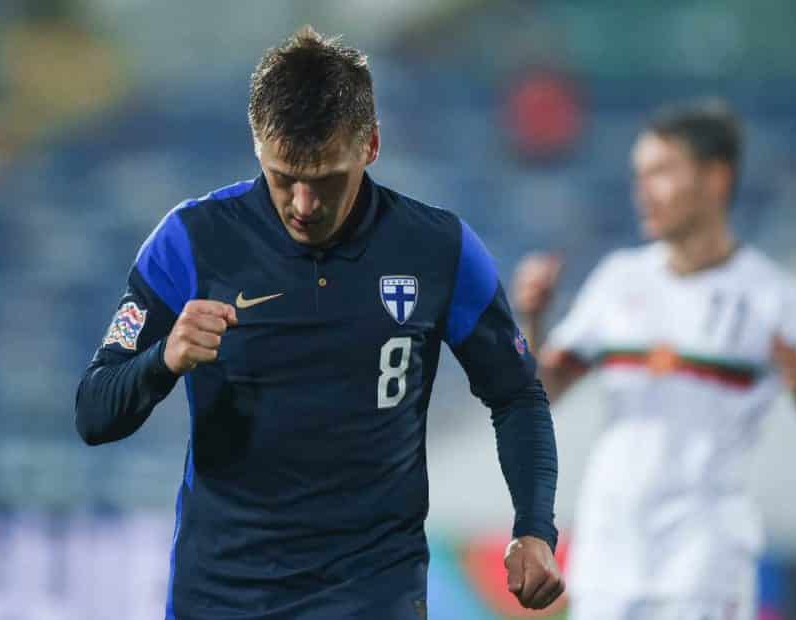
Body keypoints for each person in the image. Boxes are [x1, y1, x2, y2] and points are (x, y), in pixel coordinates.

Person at [75, 26, 563, 620]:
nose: (304, 205)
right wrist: (162, 360)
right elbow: (94, 412)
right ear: (256, 145)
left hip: (371, 590)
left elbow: (516, 396)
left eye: (326, 179)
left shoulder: (439, 249)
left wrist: (534, 528)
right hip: (224, 593)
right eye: (285, 177)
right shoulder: (189, 242)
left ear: (372, 145)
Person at [513, 100, 796, 620]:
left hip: (703, 558)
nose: (642, 190)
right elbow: (544, 391)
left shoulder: (771, 298)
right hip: (609, 549)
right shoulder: (619, 278)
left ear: (716, 179)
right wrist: (533, 321)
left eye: (661, 172)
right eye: (639, 174)